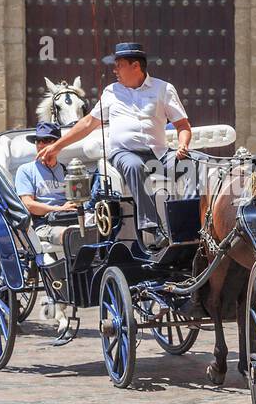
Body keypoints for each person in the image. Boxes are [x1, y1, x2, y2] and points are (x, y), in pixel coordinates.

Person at [35, 42, 193, 249]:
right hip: (124, 153)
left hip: (160, 153)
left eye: (118, 65)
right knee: (135, 166)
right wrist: (57, 146)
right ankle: (153, 230)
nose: (114, 70)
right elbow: (88, 123)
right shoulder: (111, 92)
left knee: (192, 165)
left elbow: (183, 125)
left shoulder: (163, 89)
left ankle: (191, 226)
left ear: (135, 66)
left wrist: (183, 145)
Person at [15, 121, 81, 256]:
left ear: (58, 144)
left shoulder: (66, 170)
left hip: (70, 218)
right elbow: (28, 204)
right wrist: (59, 209)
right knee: (71, 234)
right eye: (38, 141)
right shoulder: (26, 170)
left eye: (46, 140)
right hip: (44, 224)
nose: (40, 145)